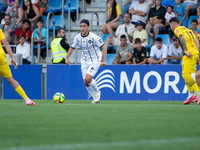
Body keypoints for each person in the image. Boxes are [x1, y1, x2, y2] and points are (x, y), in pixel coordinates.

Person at [65, 19, 107, 104]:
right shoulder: (78, 37)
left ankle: (97, 92)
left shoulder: (94, 37)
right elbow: (72, 47)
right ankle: (94, 97)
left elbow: (104, 47)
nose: (82, 28)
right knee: (85, 82)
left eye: (84, 26)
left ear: (88, 27)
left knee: (88, 79)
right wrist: (67, 57)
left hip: (95, 59)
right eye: (81, 26)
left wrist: (104, 60)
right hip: (84, 61)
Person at [169, 17, 200, 105]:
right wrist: (197, 52)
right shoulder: (187, 29)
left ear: (172, 25)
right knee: (188, 73)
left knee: (185, 75)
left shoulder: (177, 29)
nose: (171, 28)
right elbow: (196, 41)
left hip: (188, 54)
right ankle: (191, 94)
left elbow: (182, 38)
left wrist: (186, 50)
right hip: (195, 53)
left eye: (170, 26)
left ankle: (198, 93)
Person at [0, 29, 36, 105]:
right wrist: (12, 57)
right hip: (1, 57)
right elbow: (5, 42)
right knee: (11, 80)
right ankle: (27, 99)